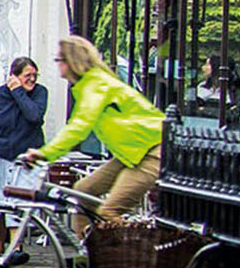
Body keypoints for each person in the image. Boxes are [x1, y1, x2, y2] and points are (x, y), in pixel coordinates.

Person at [18, 34, 166, 234]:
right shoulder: (88, 86)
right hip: (131, 154)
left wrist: (45, 153)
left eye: (59, 60)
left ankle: (125, 257)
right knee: (82, 192)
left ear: (71, 61)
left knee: (108, 212)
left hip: (151, 153)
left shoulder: (96, 85)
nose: (57, 65)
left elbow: (79, 127)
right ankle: (87, 252)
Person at [0, 55, 47, 261]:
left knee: (19, 203)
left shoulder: (39, 93)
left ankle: (15, 248)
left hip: (25, 159)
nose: (32, 79)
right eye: (27, 75)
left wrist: (18, 92)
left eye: (34, 75)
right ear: (13, 76)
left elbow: (34, 117)